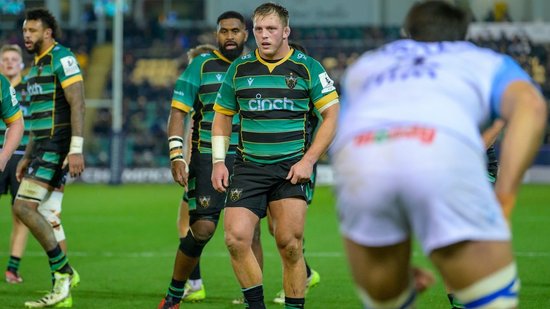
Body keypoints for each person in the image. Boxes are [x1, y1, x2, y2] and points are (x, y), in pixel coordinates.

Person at [331, 1, 547, 308]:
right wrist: (505, 199)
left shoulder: (368, 63)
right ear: (461, 34)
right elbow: (532, 107)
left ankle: (395, 287)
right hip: (440, 151)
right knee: (491, 297)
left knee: (387, 298)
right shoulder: (480, 60)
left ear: (408, 32)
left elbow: (346, 130)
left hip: (363, 159)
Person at [211, 3, 339, 308]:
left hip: (290, 168)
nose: (264, 36)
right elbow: (222, 117)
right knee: (235, 238)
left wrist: (308, 160)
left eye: (271, 29)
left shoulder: (308, 67)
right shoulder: (239, 69)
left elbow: (332, 115)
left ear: (286, 32)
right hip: (248, 167)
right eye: (258, 29)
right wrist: (218, 160)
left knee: (289, 245)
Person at [158, 11, 249, 309]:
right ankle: (175, 293)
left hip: (251, 158)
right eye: (224, 31)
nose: (230, 36)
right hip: (208, 158)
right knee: (202, 230)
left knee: (252, 232)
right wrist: (176, 155)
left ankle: (254, 299)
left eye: (235, 31)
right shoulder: (201, 66)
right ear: (217, 34)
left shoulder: (256, 66)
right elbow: (178, 112)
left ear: (245, 34)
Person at [13, 8, 85, 308]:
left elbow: (78, 102)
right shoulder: (35, 68)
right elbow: (36, 118)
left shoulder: (62, 58)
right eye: (25, 30)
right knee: (47, 213)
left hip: (58, 145)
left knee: (24, 207)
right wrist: (26, 155)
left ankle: (63, 271)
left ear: (48, 33)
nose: (26, 35)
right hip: (41, 147)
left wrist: (76, 148)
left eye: (32, 31)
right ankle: (62, 285)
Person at [0, 44, 71, 285]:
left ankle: (13, 267)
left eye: (13, 59)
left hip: (22, 156)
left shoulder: (31, 87)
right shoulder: (1, 87)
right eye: (5, 59)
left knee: (21, 212)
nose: (9, 63)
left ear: (21, 64)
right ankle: (62, 273)